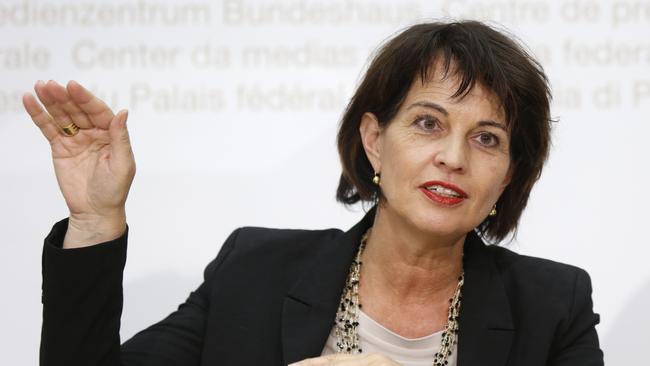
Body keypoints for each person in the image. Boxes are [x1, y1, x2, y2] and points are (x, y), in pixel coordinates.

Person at [25, 21, 604, 366]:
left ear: (507, 174)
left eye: (487, 138)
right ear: (374, 140)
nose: (454, 157)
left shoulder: (553, 306)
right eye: (428, 123)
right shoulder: (253, 269)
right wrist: (97, 220)